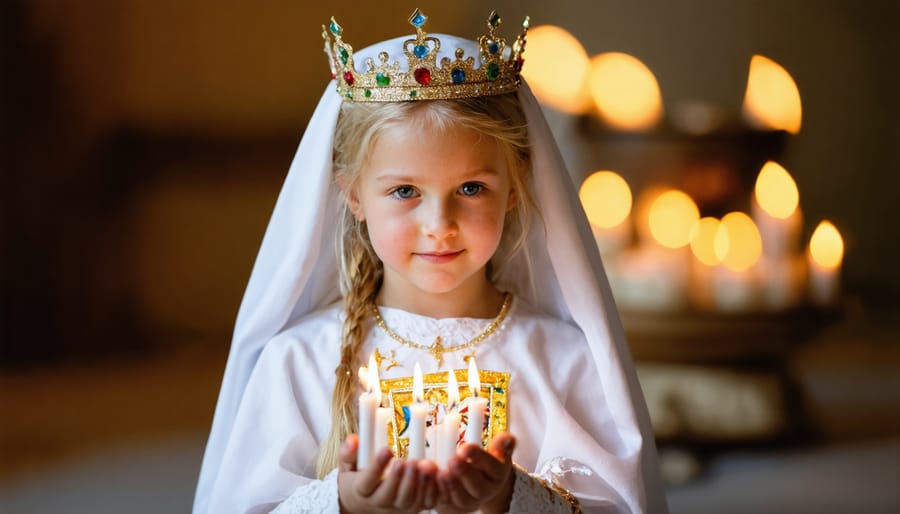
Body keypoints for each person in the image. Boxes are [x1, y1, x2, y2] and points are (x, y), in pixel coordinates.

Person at [193, 8, 667, 514]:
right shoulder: (300, 361)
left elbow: (613, 505)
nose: (439, 223)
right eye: (404, 191)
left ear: (513, 189)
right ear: (352, 195)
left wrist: (509, 498)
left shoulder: (562, 359)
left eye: (470, 188)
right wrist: (343, 502)